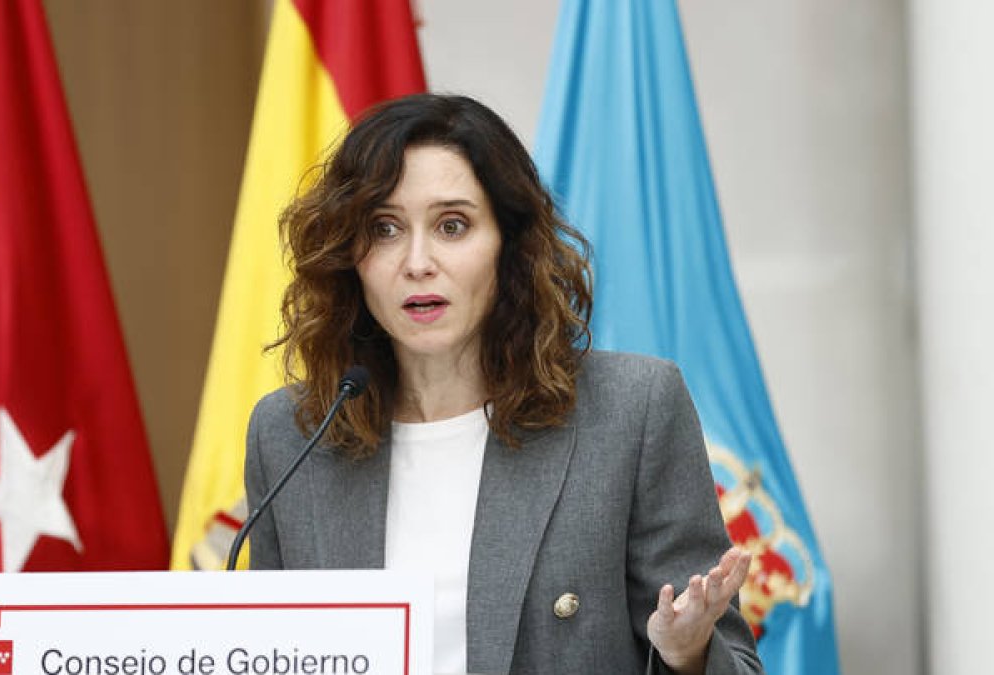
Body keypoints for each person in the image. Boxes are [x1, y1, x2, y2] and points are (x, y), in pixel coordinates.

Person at [243, 93, 763, 675]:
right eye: (384, 228)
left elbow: (736, 663)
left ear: (509, 246)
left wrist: (687, 652)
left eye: (452, 225)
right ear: (349, 257)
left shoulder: (632, 411)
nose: (417, 261)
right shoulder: (293, 436)